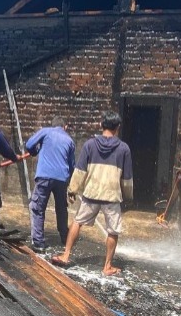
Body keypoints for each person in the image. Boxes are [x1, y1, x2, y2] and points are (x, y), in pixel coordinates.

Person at [51, 112, 133, 277]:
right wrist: (128, 196)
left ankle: (66, 255)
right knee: (113, 231)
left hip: (91, 193)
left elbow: (80, 170)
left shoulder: (90, 145)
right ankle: (107, 266)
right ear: (118, 127)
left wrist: (72, 189)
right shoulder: (124, 148)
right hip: (111, 195)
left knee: (77, 222)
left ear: (101, 125)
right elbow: (127, 177)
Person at [25, 116, 75, 253]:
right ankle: (65, 237)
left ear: (53, 125)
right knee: (61, 208)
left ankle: (39, 242)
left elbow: (29, 145)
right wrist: (71, 184)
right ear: (64, 127)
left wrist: (35, 151)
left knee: (38, 208)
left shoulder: (46, 132)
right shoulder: (69, 140)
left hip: (45, 176)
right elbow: (72, 165)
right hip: (61, 179)